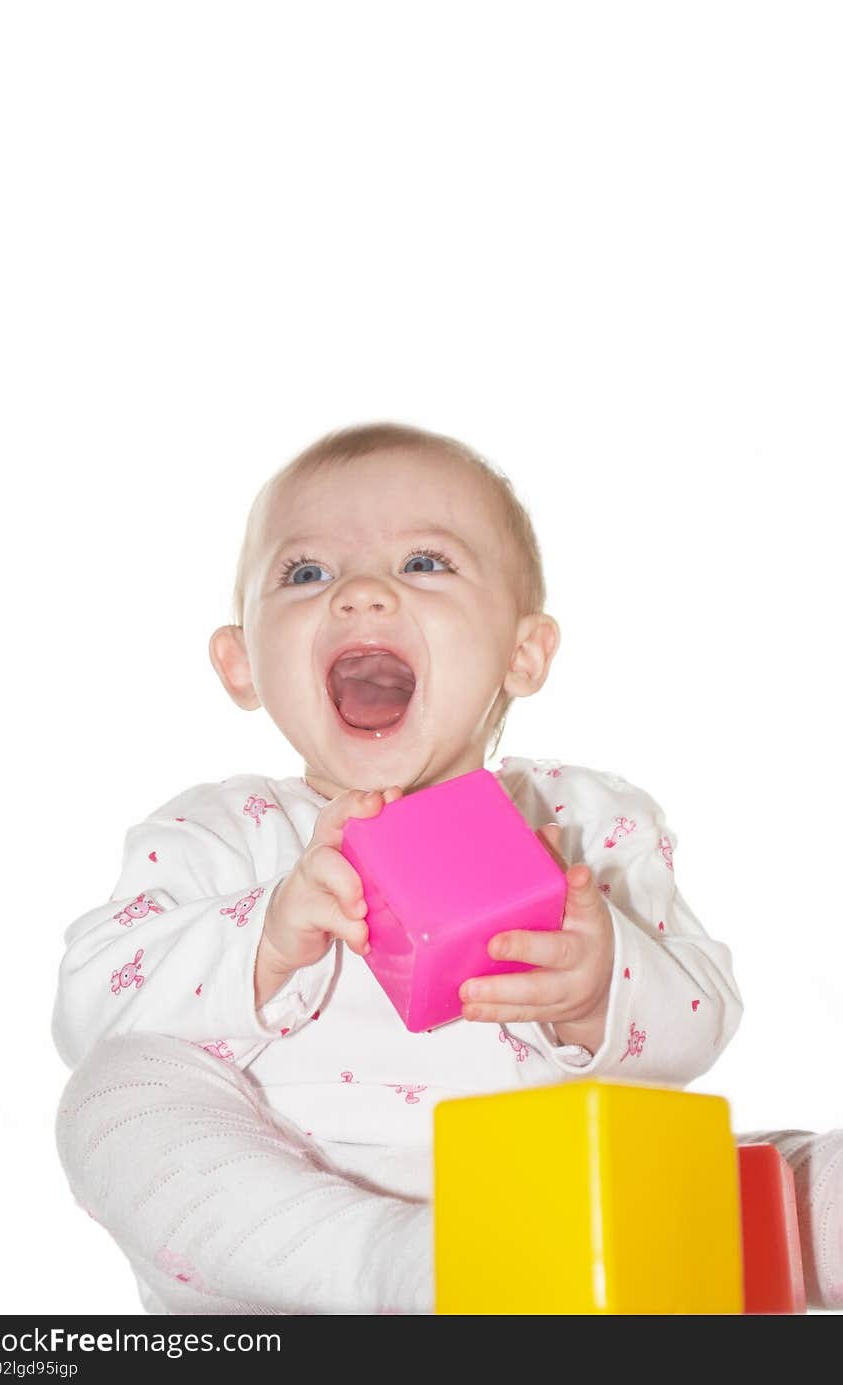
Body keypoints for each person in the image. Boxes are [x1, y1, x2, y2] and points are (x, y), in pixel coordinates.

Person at [51, 422, 840, 1314]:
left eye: (425, 562)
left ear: (523, 650)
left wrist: (596, 982)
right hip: (302, 1236)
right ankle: (402, 1271)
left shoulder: (580, 821)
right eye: (306, 573)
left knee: (792, 1174)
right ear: (242, 664)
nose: (361, 592)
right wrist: (268, 937)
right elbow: (89, 1011)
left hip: (575, 1214)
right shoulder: (226, 832)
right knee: (113, 1093)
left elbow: (700, 1021)